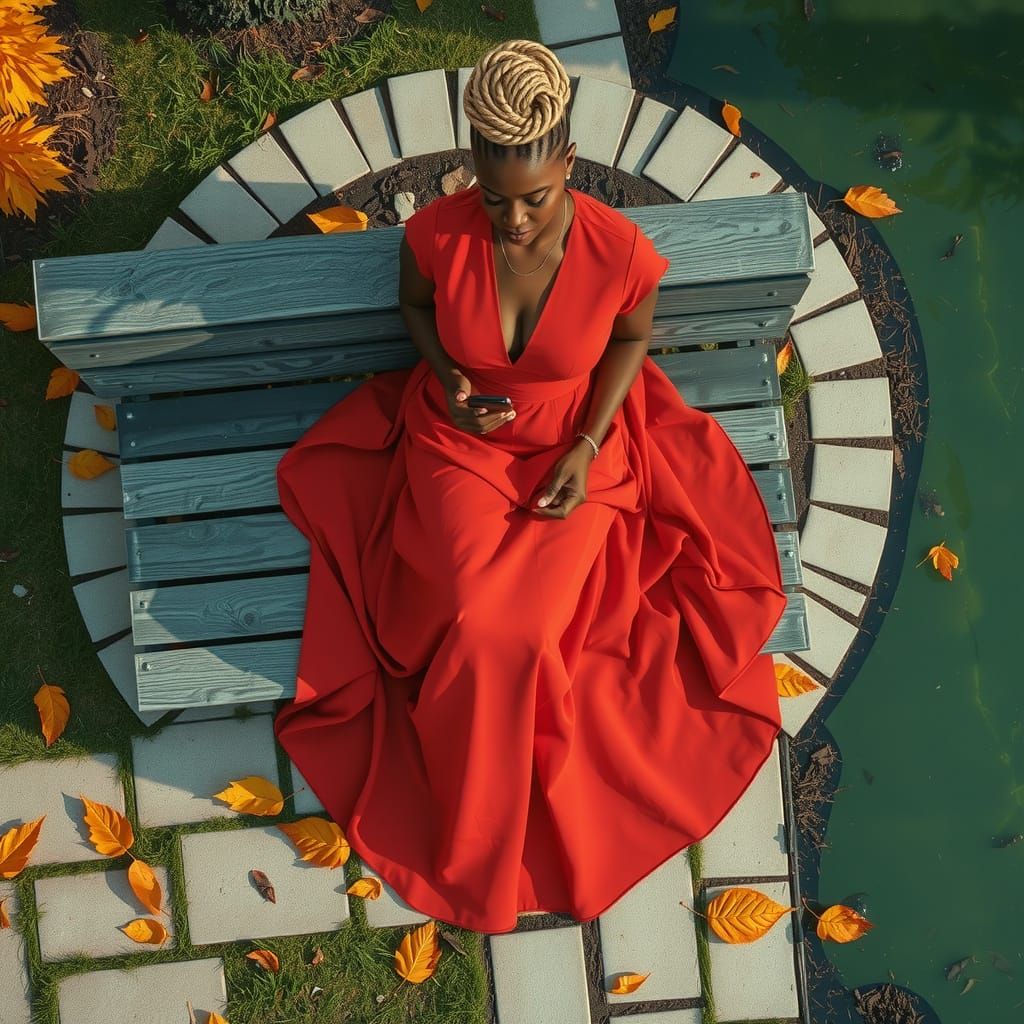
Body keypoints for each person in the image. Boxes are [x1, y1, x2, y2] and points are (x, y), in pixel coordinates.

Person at [273, 38, 787, 935]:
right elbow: (416, 309)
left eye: (536, 198)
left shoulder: (618, 250)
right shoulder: (438, 234)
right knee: (474, 613)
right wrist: (448, 379)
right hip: (459, 446)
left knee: (524, 631)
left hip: (578, 444)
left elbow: (630, 341)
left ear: (569, 163)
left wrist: (588, 445)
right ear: (473, 166)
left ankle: (494, 827)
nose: (512, 220)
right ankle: (476, 822)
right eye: (495, 196)